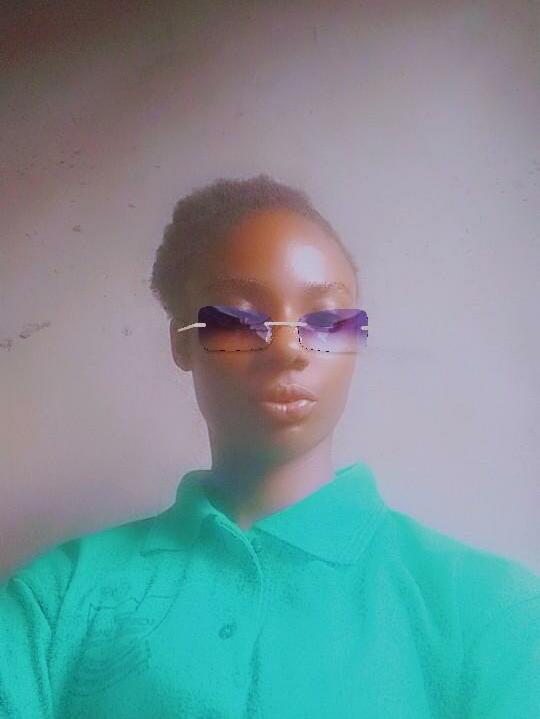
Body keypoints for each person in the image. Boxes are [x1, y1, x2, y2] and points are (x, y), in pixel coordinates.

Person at [1, 174, 539, 718]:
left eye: (327, 320)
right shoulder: (52, 604)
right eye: (238, 319)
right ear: (183, 342)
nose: (287, 350)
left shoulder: (492, 613)